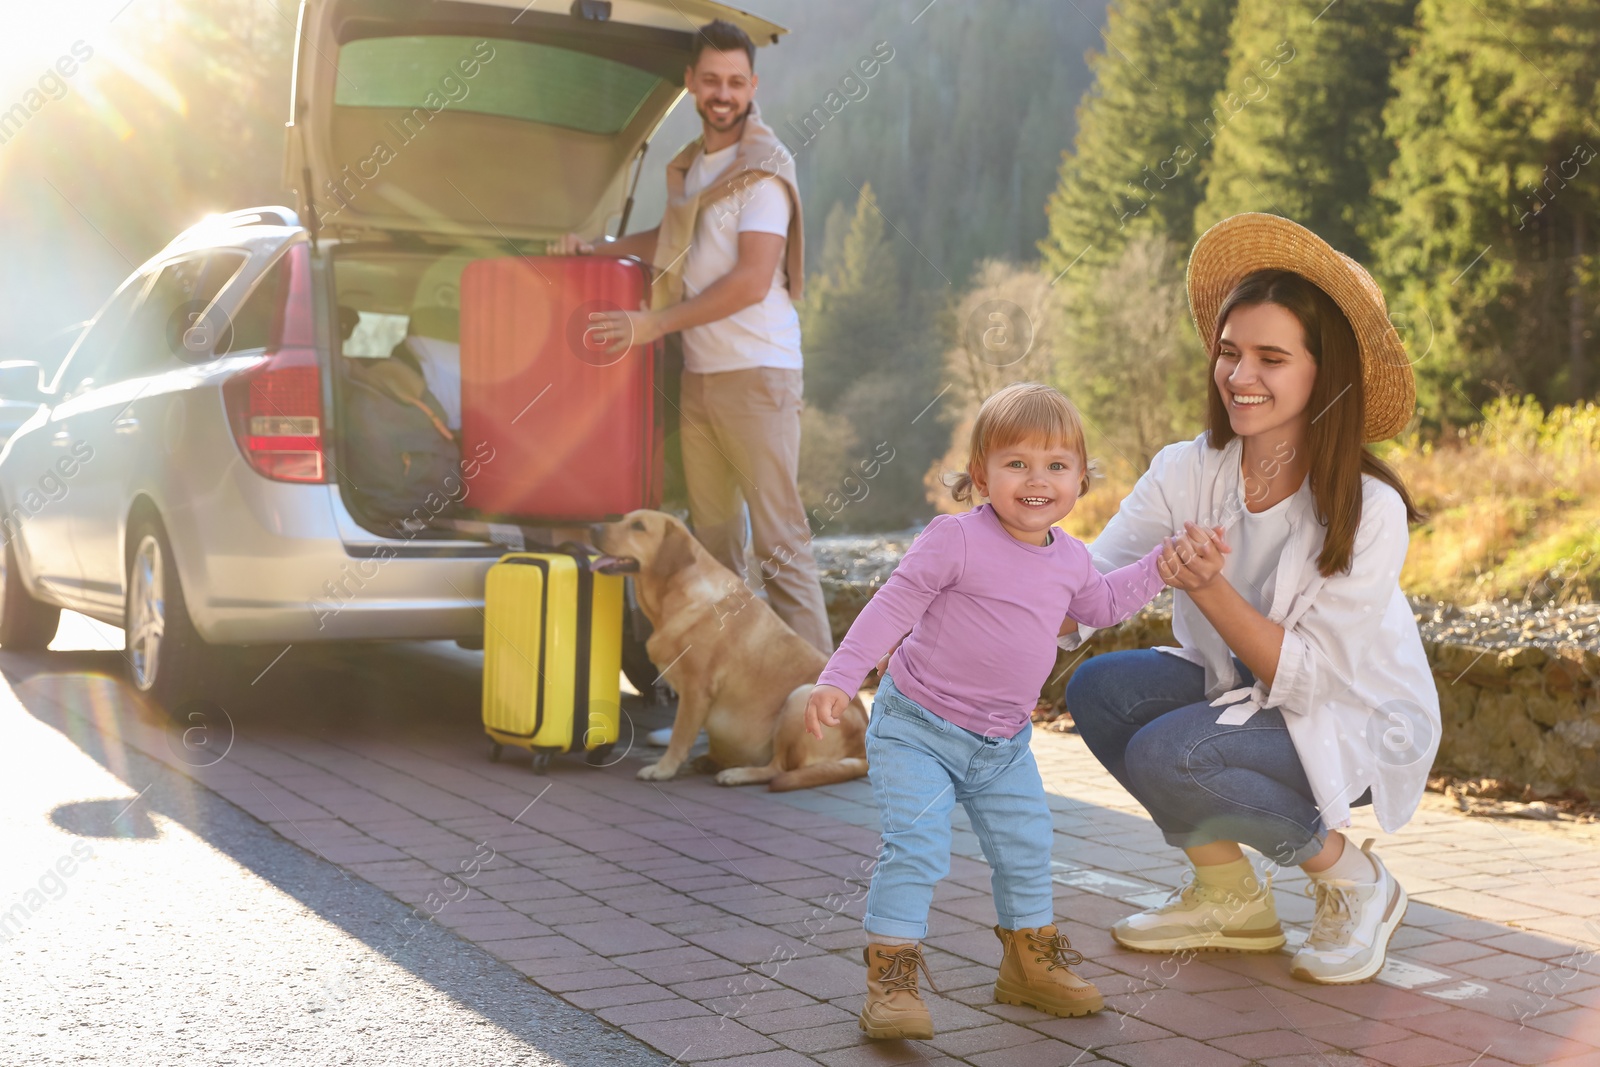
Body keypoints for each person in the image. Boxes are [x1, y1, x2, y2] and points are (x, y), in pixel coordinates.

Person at [1062, 212, 1438, 985]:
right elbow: (1089, 588)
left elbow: (1304, 678)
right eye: (1230, 353)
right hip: (1240, 691)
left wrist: (1209, 586)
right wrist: (985, 589)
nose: (1239, 376)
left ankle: (1354, 881)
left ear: (1323, 374)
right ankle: (1230, 896)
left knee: (1172, 754)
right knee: (1099, 689)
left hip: (1352, 718)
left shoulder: (1370, 509)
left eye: (1271, 357)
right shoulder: (1187, 469)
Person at [805, 382, 1205, 1040]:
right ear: (980, 473)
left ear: (1081, 476)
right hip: (918, 730)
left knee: (1027, 848)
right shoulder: (953, 539)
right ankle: (892, 980)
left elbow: (1100, 607)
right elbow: (893, 606)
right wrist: (840, 678)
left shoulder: (1072, 558)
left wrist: (1159, 566)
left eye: (1056, 464)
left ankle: (1028, 964)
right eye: (1016, 462)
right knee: (917, 848)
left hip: (1001, 747)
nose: (1037, 479)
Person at [558, 19, 832, 657]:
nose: (723, 92)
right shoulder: (692, 168)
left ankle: (825, 715)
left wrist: (648, 325)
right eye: (711, 80)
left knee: (780, 544)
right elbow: (668, 243)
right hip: (701, 378)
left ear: (752, 86)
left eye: (735, 81)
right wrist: (595, 250)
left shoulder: (764, 169)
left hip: (759, 375)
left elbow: (750, 280)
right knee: (714, 552)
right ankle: (732, 715)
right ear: (690, 83)